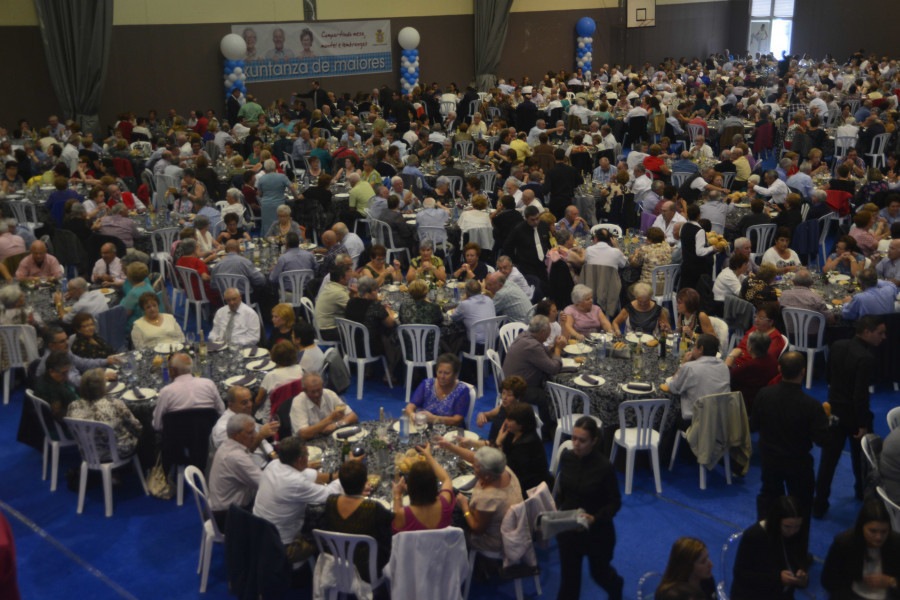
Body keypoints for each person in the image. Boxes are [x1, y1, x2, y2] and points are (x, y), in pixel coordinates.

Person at [814, 315, 886, 518]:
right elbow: (860, 396)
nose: (883, 337)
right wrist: (862, 424)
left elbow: (828, 376)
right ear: (867, 332)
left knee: (828, 461)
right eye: (880, 333)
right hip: (854, 416)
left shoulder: (837, 345)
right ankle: (861, 495)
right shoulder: (866, 358)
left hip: (834, 410)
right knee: (862, 460)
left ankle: (819, 504)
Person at [554, 416, 624, 600]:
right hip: (569, 529)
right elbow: (563, 490)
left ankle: (616, 587)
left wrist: (594, 518)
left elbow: (615, 502)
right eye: (574, 438)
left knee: (599, 575)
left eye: (582, 440)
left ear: (594, 441)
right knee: (569, 583)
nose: (576, 444)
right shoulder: (567, 457)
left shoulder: (605, 467)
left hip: (597, 533)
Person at [253, 437, 343, 563]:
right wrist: (345, 475)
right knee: (326, 533)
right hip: (282, 546)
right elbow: (329, 494)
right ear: (300, 459)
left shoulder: (273, 465)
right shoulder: (295, 483)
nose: (308, 456)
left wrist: (333, 477)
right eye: (307, 453)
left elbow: (307, 474)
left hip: (259, 533)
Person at [440, 402, 549, 497]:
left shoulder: (527, 444)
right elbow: (494, 445)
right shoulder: (514, 432)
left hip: (524, 488)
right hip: (510, 474)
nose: (506, 422)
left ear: (522, 424)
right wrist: (472, 442)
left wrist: (498, 443)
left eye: (510, 419)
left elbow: (503, 469)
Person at [320, 460, 393, 585]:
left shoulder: (330, 502)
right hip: (367, 570)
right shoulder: (373, 508)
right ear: (364, 482)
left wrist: (357, 493)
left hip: (337, 565)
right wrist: (396, 496)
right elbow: (396, 523)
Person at [731, 496, 812, 600]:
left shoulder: (798, 534)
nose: (792, 531)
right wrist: (777, 579)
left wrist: (802, 576)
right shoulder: (755, 536)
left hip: (781, 594)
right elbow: (741, 575)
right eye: (787, 526)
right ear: (776, 521)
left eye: (797, 526)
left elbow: (799, 560)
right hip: (754, 595)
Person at [822, 498, 900, 598]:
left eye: (884, 531)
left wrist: (892, 582)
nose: (879, 537)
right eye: (873, 531)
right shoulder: (844, 543)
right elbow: (829, 580)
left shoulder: (896, 544)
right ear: (862, 527)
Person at [454, 446, 522, 554]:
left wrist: (464, 507)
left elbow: (477, 529)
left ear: (487, 476)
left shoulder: (489, 498)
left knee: (452, 521)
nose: (472, 465)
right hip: (511, 524)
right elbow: (473, 457)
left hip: (494, 540)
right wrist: (449, 446)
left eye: (475, 467)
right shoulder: (502, 469)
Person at [208, 413, 268, 531]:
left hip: (222, 507)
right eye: (250, 433)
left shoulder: (227, 445)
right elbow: (265, 484)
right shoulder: (237, 457)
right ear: (235, 435)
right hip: (229, 517)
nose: (255, 436)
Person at [67, 368, 142, 460]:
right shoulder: (115, 403)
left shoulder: (72, 406)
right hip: (118, 453)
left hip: (88, 453)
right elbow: (137, 427)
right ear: (102, 387)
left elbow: (73, 432)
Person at [391, 443, 456, 532]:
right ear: (434, 484)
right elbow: (446, 479)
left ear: (411, 487)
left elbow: (396, 535)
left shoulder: (404, 514)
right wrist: (429, 456)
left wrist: (397, 495)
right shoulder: (445, 502)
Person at [151, 353, 224, 430]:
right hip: (206, 439)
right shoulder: (209, 384)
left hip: (177, 440)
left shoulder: (166, 392)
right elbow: (221, 412)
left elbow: (157, 426)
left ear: (172, 371)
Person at [404, 353, 469, 427]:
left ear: (456, 374)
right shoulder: (427, 384)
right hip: (426, 427)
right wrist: (412, 415)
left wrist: (434, 419)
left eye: (447, 373)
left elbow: (457, 420)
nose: (442, 376)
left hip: (450, 432)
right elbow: (410, 407)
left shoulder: (462, 390)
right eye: (440, 372)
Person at [289, 371, 357, 438]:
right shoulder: (298, 403)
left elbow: (353, 416)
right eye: (313, 392)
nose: (317, 394)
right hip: (307, 442)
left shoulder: (329, 394)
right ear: (304, 390)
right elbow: (303, 434)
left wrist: (336, 425)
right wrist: (330, 419)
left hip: (328, 437)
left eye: (319, 390)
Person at [726, 303, 785, 369]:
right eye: (755, 316)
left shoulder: (775, 339)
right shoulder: (755, 329)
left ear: (771, 322)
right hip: (736, 362)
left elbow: (762, 363)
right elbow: (741, 346)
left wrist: (732, 358)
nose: (756, 320)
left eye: (761, 318)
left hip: (749, 368)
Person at [33, 351, 78, 422]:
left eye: (67, 372)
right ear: (51, 371)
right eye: (64, 373)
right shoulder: (53, 390)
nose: (67, 375)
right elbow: (58, 414)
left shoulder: (42, 379)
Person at [256, 159, 296, 234]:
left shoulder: (262, 179)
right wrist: (296, 197)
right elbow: (292, 187)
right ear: (275, 167)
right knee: (280, 225)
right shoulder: (282, 177)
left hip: (266, 205)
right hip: (279, 205)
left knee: (267, 225)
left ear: (265, 168)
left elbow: (259, 194)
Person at [315, 263, 352, 342]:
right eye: (348, 276)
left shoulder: (330, 286)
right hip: (328, 331)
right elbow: (354, 311)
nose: (350, 278)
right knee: (360, 332)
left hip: (320, 327)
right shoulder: (338, 292)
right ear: (341, 279)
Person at [119, 262, 160, 332]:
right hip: (149, 320)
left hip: (137, 325)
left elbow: (124, 314)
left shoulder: (133, 294)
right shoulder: (148, 286)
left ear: (130, 277)